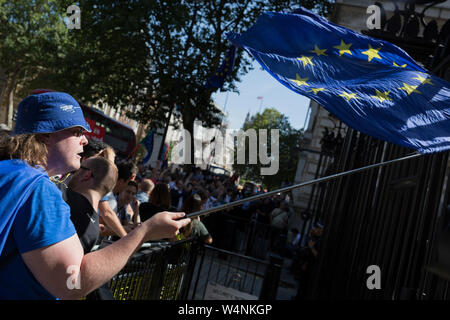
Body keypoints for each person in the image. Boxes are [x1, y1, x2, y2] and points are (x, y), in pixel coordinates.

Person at [0, 91, 190, 299]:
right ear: (46, 133)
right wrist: (145, 231)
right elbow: (72, 281)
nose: (85, 140)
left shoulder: (9, 171)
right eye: (77, 131)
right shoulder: (39, 191)